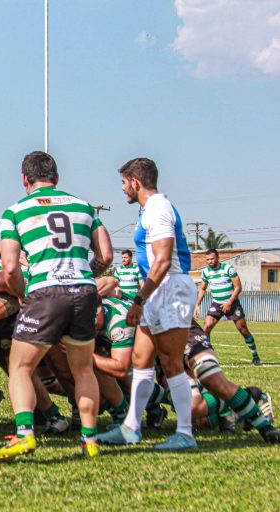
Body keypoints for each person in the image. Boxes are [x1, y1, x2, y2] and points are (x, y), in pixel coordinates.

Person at [0, 151, 113, 462]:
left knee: (19, 366)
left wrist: (22, 294)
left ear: (24, 180)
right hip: (84, 291)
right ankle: (90, 440)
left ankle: (25, 435)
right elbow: (107, 256)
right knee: (83, 368)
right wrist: (86, 274)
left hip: (45, 292)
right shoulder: (84, 206)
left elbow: (9, 268)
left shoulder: (15, 211)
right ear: (56, 178)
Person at [99, 157, 198, 451]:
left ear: (135, 182)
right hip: (156, 292)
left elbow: (164, 261)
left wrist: (139, 299)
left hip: (170, 290)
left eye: (123, 183)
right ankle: (131, 427)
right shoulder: (150, 209)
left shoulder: (158, 209)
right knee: (141, 361)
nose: (123, 189)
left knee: (170, 364)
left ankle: (185, 433)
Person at [185, 320, 278, 442]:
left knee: (211, 381)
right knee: (194, 413)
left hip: (182, 327)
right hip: (157, 338)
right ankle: (233, 409)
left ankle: (262, 419)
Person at [197, 249, 260, 365]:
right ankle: (209, 357)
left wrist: (229, 302)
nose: (210, 261)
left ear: (217, 257)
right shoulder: (206, 272)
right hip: (216, 303)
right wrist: (197, 304)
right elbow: (202, 289)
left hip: (232, 303)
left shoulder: (228, 269)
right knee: (206, 328)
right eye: (208, 260)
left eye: (212, 258)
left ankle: (255, 356)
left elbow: (238, 287)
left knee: (243, 330)